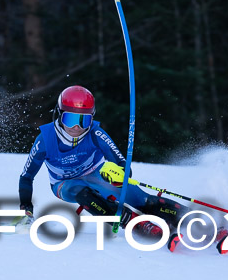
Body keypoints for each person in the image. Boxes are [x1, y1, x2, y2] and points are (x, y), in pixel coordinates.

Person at [15, 85, 195, 250]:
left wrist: (121, 174)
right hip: (64, 184)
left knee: (142, 200)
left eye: (83, 121)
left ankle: (193, 219)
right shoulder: (45, 140)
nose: (76, 127)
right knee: (83, 193)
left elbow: (121, 163)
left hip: (95, 174)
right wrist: (27, 209)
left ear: (91, 119)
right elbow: (26, 176)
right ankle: (136, 223)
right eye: (70, 119)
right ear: (58, 114)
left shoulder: (96, 133)